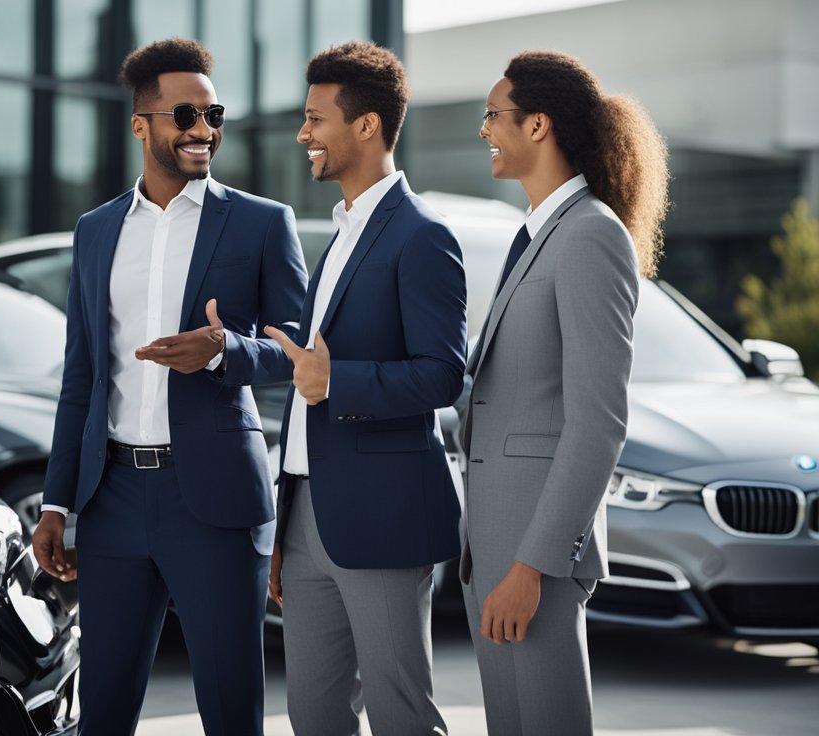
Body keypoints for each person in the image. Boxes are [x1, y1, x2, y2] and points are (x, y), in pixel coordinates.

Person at [31, 37, 307, 736]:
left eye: (215, 116)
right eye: (186, 114)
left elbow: (298, 354)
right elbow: (81, 377)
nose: (203, 130)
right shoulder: (95, 231)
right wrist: (58, 502)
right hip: (113, 496)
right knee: (105, 711)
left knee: (229, 704)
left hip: (211, 496)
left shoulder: (259, 222)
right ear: (142, 125)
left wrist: (223, 352)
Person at [459, 49, 670, 735]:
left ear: (539, 125)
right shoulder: (538, 234)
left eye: (494, 115)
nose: (484, 129)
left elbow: (598, 423)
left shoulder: (589, 236)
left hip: (534, 555)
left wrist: (533, 566)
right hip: (493, 545)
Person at [265, 41, 467, 736]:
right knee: (314, 715)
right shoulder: (340, 234)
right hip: (306, 512)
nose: (304, 135)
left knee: (401, 714)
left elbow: (444, 373)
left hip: (381, 516)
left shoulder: (422, 237)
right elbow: (305, 369)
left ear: (367, 126)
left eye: (317, 119)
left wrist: (337, 380)